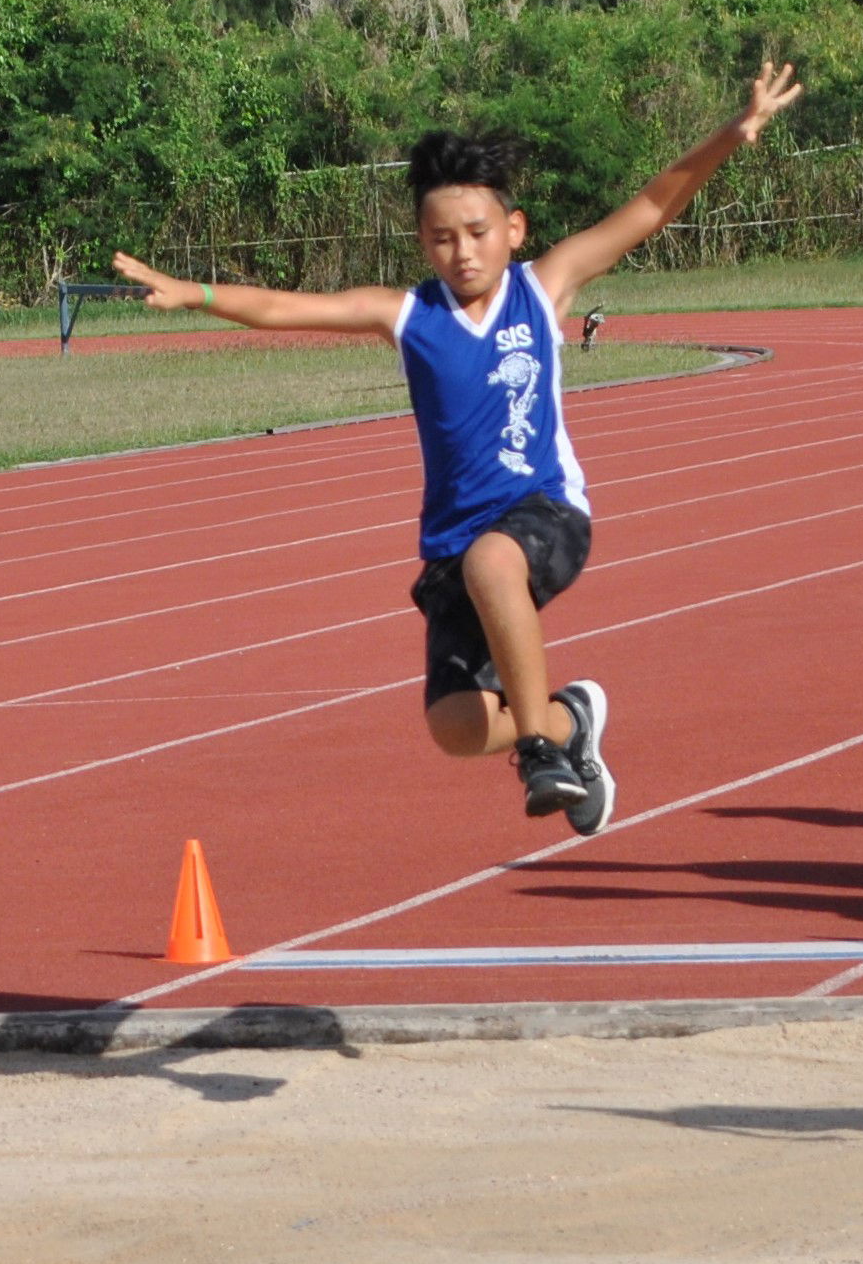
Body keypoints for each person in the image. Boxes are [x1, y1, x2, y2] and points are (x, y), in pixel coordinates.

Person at [114, 60, 801, 836]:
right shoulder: (405, 313)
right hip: (454, 542)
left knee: (494, 562)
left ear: (514, 230)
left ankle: (540, 746)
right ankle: (570, 721)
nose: (462, 252)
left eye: (478, 233)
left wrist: (732, 136)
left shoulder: (544, 288)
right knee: (454, 725)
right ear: (422, 240)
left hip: (546, 511)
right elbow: (281, 306)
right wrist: (194, 294)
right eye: (442, 238)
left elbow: (649, 204)